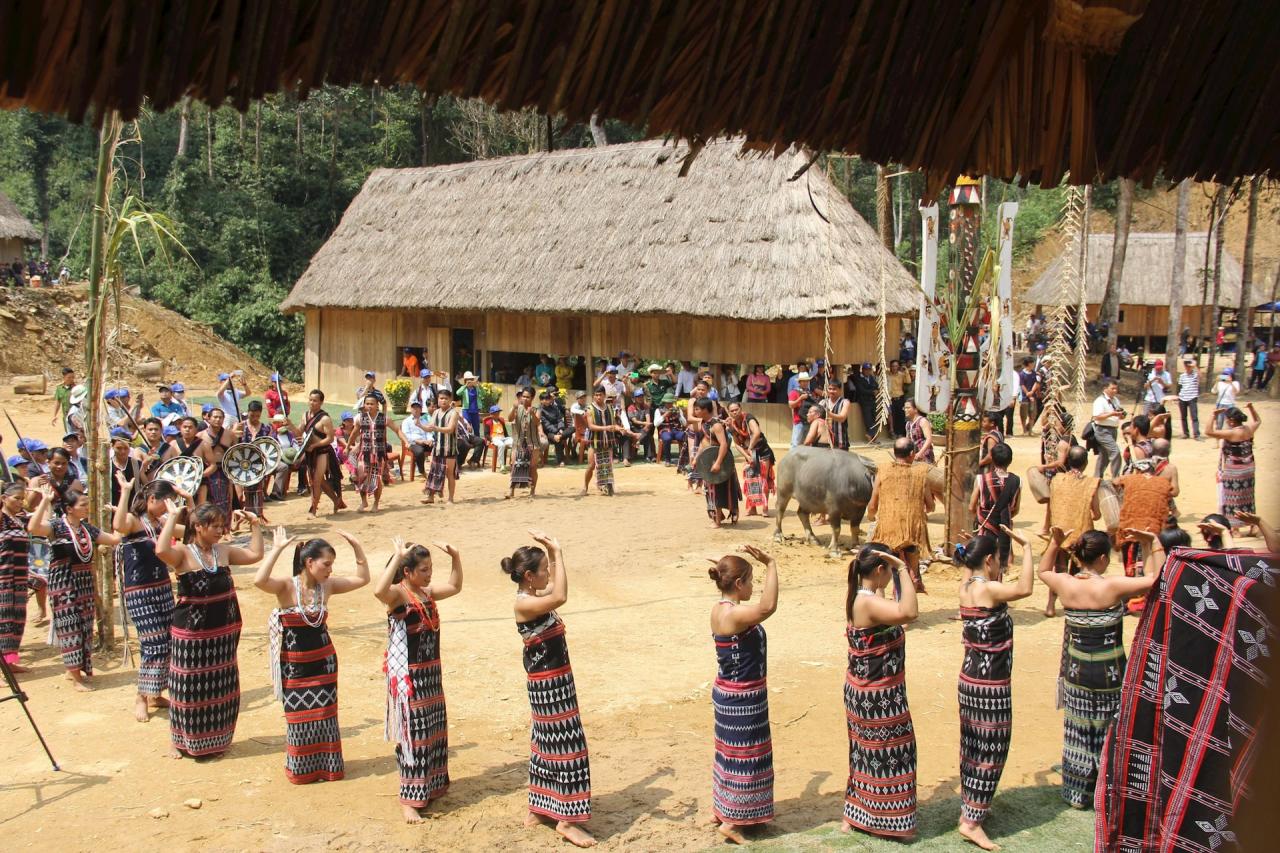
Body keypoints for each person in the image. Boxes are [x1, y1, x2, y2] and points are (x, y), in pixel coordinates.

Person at [1038, 527, 1157, 808]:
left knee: (1078, 730)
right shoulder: (1112, 586)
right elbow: (1155, 579)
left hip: (1076, 672)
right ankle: (1109, 792)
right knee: (1110, 731)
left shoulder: (1066, 585)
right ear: (1103, 558)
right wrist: (1151, 544)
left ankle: (1077, 793)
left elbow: (1043, 571)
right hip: (1110, 675)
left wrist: (1055, 543)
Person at [255, 527, 369, 784]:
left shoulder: (327, 587)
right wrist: (277, 550)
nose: (330, 570)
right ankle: (302, 771)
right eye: (326, 564)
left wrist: (356, 545)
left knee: (325, 717)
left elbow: (363, 579)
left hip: (324, 662)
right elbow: (259, 581)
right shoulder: (286, 586)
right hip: (294, 666)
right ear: (309, 562)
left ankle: (328, 769)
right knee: (299, 720)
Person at [504, 532, 596, 848]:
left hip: (549, 682)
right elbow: (560, 596)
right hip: (550, 684)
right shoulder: (527, 604)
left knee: (544, 745)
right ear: (529, 576)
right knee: (568, 748)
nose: (548, 574)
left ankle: (540, 808)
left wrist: (554, 556)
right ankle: (567, 820)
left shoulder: (532, 597)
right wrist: (557, 550)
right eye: (543, 569)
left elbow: (555, 589)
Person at [155, 501, 263, 758]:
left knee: (219, 687)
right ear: (198, 526)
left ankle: (215, 740)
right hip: (191, 635)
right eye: (214, 526)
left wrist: (256, 524)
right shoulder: (182, 553)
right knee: (187, 687)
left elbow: (255, 555)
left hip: (222, 633)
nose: (220, 530)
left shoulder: (223, 551)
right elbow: (160, 550)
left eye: (222, 526)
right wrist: (172, 517)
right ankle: (179, 740)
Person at [953, 529, 1035, 850]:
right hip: (991, 687)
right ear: (989, 561)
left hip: (969, 681)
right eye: (998, 558)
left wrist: (973, 548)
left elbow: (970, 567)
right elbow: (1025, 588)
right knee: (992, 749)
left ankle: (971, 807)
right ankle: (971, 822)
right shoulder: (988, 590)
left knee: (972, 748)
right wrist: (1028, 547)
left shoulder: (965, 587)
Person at [377, 536, 463, 822]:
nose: (429, 574)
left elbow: (455, 586)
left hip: (431, 674)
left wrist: (456, 557)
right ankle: (409, 799)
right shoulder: (399, 595)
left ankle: (432, 785)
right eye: (423, 570)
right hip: (409, 676)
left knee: (434, 731)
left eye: (430, 568)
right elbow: (379, 591)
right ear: (407, 572)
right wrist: (397, 555)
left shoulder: (426, 593)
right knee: (414, 735)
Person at [842, 544, 919, 839]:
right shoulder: (867, 603)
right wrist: (902, 569)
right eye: (887, 570)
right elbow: (910, 612)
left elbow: (891, 607)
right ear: (879, 570)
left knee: (865, 754)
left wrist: (892, 567)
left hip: (865, 693)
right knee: (893, 755)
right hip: (879, 698)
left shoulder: (861, 597)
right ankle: (886, 821)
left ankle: (858, 814)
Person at [707, 546, 779, 843]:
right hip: (743, 698)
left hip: (730, 693)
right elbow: (768, 607)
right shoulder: (736, 614)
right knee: (746, 756)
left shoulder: (719, 608)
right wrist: (771, 564)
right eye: (750, 581)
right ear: (739, 584)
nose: (753, 587)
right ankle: (733, 822)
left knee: (729, 754)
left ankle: (724, 809)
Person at [28, 483, 121, 691]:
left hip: (85, 584)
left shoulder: (88, 529)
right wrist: (44, 500)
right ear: (69, 508)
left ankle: (74, 670)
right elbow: (33, 528)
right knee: (70, 627)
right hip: (63, 583)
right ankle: (76, 677)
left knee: (84, 627)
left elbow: (114, 539)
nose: (87, 508)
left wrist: (120, 507)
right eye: (83, 505)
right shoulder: (56, 526)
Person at [113, 477, 183, 721]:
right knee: (153, 643)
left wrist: (190, 500)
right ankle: (141, 696)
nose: (168, 507)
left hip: (162, 588)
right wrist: (125, 492)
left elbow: (192, 530)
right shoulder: (134, 521)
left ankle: (155, 693)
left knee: (169, 641)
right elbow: (118, 523)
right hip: (140, 591)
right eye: (166, 502)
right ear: (152, 499)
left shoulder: (161, 521)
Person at [865, 439, 933, 593]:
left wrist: (871, 516)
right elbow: (930, 506)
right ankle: (914, 577)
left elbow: (872, 504)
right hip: (913, 533)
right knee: (912, 557)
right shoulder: (921, 473)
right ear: (912, 454)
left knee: (884, 566)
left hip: (887, 532)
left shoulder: (883, 470)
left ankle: (882, 596)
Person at [1043, 446, 1101, 616]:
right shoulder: (1091, 483)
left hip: (1060, 532)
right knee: (1078, 571)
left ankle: (1050, 605)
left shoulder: (1057, 479)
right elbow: (1096, 514)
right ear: (1086, 463)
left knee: (1059, 570)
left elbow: (1050, 506)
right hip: (1081, 533)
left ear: (1068, 461)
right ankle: (1074, 604)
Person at [1111, 459, 1174, 613]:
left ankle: (1135, 597)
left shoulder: (1130, 479)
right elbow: (1174, 492)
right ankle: (1148, 596)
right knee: (1151, 562)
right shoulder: (1163, 482)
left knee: (1132, 563)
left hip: (1131, 527)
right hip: (1154, 529)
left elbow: (1115, 481)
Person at [1205, 404, 1260, 535]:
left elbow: (1208, 432)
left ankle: (1235, 528)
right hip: (1249, 468)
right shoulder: (1249, 429)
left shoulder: (1232, 433)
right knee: (1248, 497)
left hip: (1234, 470)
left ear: (1231, 420)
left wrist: (1213, 415)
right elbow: (1258, 421)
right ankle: (1253, 525)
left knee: (1232, 498)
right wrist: (1252, 408)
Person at [348, 394, 408, 512]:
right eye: (367, 404)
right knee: (361, 476)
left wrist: (405, 441)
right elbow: (354, 433)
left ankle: (375, 503)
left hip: (379, 454)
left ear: (377, 405)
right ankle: (364, 501)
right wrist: (348, 446)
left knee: (376, 478)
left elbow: (397, 430)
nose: (369, 406)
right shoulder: (360, 418)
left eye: (372, 404)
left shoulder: (385, 418)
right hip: (364, 452)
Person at [290, 390, 345, 516]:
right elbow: (299, 432)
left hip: (323, 452)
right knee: (315, 481)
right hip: (310, 452)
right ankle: (337, 501)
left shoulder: (325, 418)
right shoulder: (305, 415)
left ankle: (313, 508)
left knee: (316, 480)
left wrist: (314, 445)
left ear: (321, 402)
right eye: (310, 400)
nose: (312, 403)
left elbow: (330, 438)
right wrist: (290, 425)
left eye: (315, 400)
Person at [969, 443, 1021, 569]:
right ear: (1010, 460)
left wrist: (981, 517)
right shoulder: (1017, 481)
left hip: (984, 526)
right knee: (1003, 562)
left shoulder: (981, 479)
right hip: (1005, 527)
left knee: (983, 561)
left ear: (991, 458)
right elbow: (1015, 509)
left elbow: (971, 507)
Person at [693, 398, 743, 528]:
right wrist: (696, 458)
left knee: (721, 490)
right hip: (710, 460)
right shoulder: (704, 424)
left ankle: (721, 520)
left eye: (697, 409)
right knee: (711, 490)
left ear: (705, 410)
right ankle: (717, 517)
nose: (695, 411)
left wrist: (718, 463)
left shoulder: (716, 425)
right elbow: (703, 443)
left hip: (722, 461)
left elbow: (724, 445)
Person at [0, 482, 32, 672]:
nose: (20, 502)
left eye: (22, 498)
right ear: (4, 498)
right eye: (16, 498)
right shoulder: (2, 518)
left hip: (20, 577)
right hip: (3, 577)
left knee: (17, 619)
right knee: (3, 620)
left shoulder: (21, 519)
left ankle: (10, 662)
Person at [728, 402, 775, 518]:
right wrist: (747, 455)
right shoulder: (732, 425)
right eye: (732, 410)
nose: (735, 412)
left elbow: (757, 433)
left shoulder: (749, 418)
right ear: (729, 412)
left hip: (762, 452)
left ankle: (765, 507)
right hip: (749, 454)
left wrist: (750, 447)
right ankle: (753, 507)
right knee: (750, 479)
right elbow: (737, 444)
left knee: (762, 479)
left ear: (740, 409)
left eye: (736, 409)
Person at [581, 388, 625, 497]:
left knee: (607, 465)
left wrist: (619, 428)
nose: (598, 397)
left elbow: (613, 425)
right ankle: (585, 487)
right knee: (591, 465)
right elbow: (591, 426)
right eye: (596, 395)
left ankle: (609, 488)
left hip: (607, 441)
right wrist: (607, 427)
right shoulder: (589, 409)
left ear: (604, 395)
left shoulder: (610, 408)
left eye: (600, 395)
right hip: (595, 441)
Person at [422, 389, 460, 504]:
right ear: (438, 400)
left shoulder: (454, 413)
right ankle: (431, 497)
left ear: (450, 400)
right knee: (434, 472)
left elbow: (450, 429)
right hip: (438, 447)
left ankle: (451, 498)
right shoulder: (436, 412)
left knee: (449, 474)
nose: (443, 400)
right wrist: (419, 425)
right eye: (441, 398)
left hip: (450, 448)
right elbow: (430, 428)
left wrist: (436, 428)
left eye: (446, 398)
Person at [508, 388, 541, 497]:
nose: (525, 399)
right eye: (523, 396)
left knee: (533, 467)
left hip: (533, 442)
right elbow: (510, 418)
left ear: (532, 398)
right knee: (514, 465)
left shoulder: (536, 409)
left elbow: (537, 423)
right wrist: (513, 408)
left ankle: (532, 490)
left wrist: (532, 414)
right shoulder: (517, 408)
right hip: (518, 443)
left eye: (527, 397)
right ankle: (511, 490)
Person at [1091, 379, 1126, 479]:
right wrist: (1112, 413)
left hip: (1113, 430)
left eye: (1116, 389)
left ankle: (1097, 477)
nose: (1115, 391)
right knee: (1115, 452)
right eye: (1112, 388)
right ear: (1105, 389)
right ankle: (1115, 476)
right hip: (1102, 430)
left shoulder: (1115, 400)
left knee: (1104, 456)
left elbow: (1119, 413)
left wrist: (1121, 415)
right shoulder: (1100, 401)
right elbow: (1097, 416)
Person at [401, 401, 433, 479]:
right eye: (413, 408)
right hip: (413, 443)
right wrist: (418, 441)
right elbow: (406, 435)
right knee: (419, 452)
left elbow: (428, 433)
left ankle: (436, 470)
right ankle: (422, 471)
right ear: (411, 409)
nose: (415, 409)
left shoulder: (424, 421)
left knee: (437, 447)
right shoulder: (406, 421)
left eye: (417, 407)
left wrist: (430, 440)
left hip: (425, 442)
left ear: (421, 409)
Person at [539, 391, 572, 467]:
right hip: (547, 432)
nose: (545, 401)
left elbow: (560, 419)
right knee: (557, 439)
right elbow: (546, 424)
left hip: (558, 430)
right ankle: (560, 460)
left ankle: (559, 436)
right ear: (540, 400)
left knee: (572, 429)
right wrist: (556, 431)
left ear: (550, 400)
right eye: (543, 399)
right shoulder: (540, 410)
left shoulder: (554, 408)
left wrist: (560, 429)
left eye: (547, 399)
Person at [853, 363, 881, 443]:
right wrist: (872, 391)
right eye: (866, 369)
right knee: (868, 419)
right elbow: (861, 390)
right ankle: (871, 437)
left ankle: (870, 434)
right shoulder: (859, 379)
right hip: (864, 402)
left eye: (869, 369)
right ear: (862, 370)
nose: (868, 371)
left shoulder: (871, 377)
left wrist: (873, 390)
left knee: (875, 418)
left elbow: (876, 386)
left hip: (872, 401)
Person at [1175, 357, 1201, 440]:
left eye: (1189, 365)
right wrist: (1178, 397)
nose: (1188, 366)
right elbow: (1179, 387)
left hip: (1192, 397)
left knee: (1194, 417)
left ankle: (1196, 434)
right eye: (1186, 365)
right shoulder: (1182, 376)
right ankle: (1185, 433)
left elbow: (1200, 376)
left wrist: (1195, 366)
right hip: (1183, 398)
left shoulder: (1195, 374)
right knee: (1183, 416)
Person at [822, 381, 853, 450]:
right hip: (825, 441)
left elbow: (842, 418)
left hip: (841, 440)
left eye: (834, 389)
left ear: (840, 390)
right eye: (830, 389)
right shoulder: (823, 402)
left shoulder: (845, 402)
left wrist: (828, 413)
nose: (831, 391)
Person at [903, 399, 935, 464]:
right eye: (904, 408)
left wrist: (920, 453)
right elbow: (907, 441)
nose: (905, 410)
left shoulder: (923, 421)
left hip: (925, 455)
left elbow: (929, 439)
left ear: (916, 409)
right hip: (914, 455)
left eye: (908, 408)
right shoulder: (908, 424)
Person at [787, 372, 813, 446]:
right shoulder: (794, 392)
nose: (806, 383)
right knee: (795, 444)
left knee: (806, 444)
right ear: (799, 382)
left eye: (807, 381)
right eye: (803, 381)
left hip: (808, 421)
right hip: (799, 421)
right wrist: (800, 398)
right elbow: (791, 405)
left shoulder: (809, 392)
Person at [1017, 357, 1041, 435]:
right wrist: (1027, 393)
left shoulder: (1035, 373)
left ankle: (1030, 430)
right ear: (1028, 364)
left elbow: (1036, 383)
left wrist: (1032, 392)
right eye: (1032, 363)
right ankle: (1024, 429)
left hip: (1033, 397)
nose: (1033, 364)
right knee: (1023, 414)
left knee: (1032, 414)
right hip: (1024, 397)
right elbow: (1022, 385)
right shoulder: (1021, 374)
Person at [457, 371, 482, 438]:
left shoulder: (476, 388)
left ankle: (478, 443)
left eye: (471, 379)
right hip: (466, 411)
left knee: (476, 428)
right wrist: (465, 385)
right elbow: (457, 393)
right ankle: (468, 443)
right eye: (468, 379)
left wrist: (479, 386)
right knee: (467, 428)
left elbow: (483, 394)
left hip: (475, 411)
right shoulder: (464, 388)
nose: (470, 381)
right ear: (465, 381)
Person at [887, 360, 908, 437]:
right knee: (891, 415)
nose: (894, 368)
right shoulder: (887, 375)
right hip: (890, 398)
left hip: (900, 398)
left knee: (900, 415)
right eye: (893, 366)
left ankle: (899, 433)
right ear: (890, 367)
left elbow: (908, 381)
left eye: (896, 366)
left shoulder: (902, 375)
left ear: (898, 366)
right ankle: (892, 433)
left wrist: (906, 371)